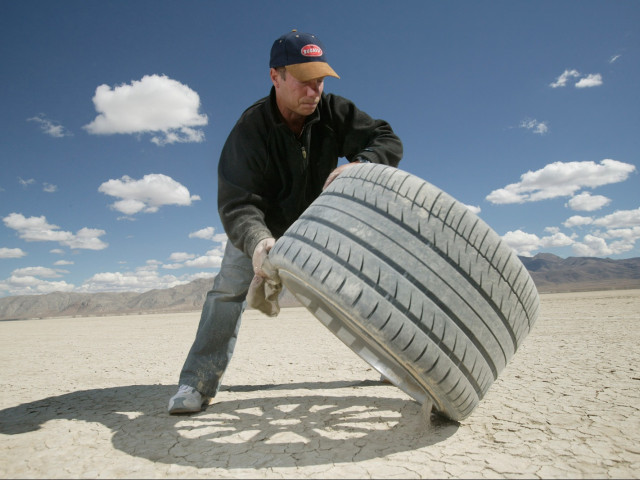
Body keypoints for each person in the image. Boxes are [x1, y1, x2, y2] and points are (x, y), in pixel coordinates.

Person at [168, 30, 403, 414]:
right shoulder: (251, 130)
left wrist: (361, 164)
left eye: (320, 80)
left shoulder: (334, 112)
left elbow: (386, 138)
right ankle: (195, 384)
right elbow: (237, 202)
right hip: (260, 225)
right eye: (304, 80)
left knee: (365, 283)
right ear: (275, 76)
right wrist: (258, 242)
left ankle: (392, 365)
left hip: (320, 223)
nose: (314, 90)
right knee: (227, 291)